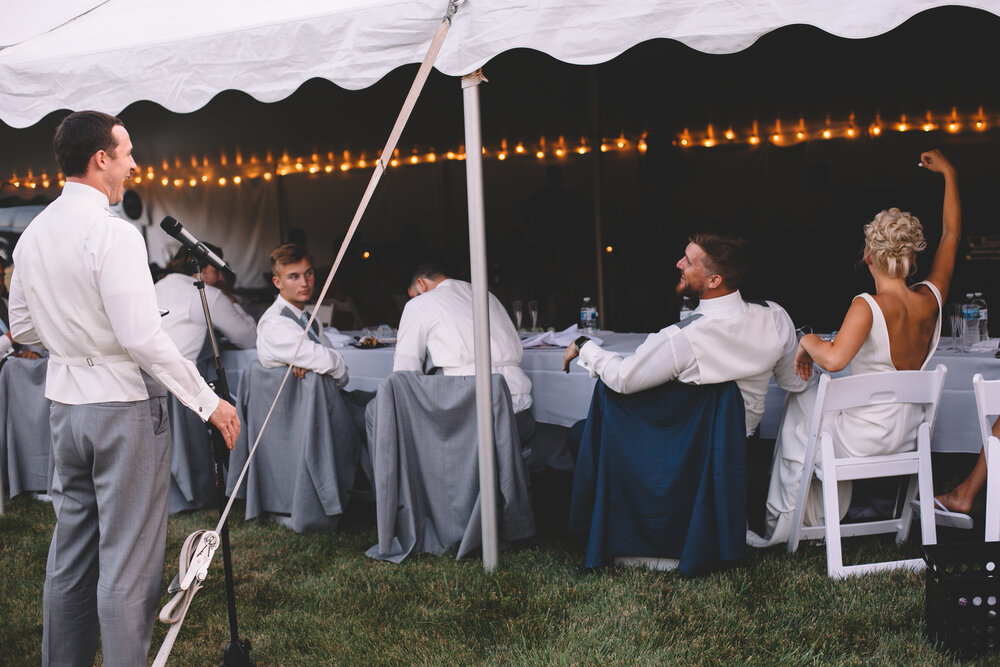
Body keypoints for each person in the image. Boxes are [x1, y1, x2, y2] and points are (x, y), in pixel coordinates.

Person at [7, 110, 240, 665]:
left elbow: (20, 328)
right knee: (129, 561)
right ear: (101, 159)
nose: (135, 164)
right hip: (124, 407)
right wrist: (208, 403)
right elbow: (142, 336)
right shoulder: (113, 232)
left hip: (65, 407)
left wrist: (72, 334)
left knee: (70, 553)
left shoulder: (33, 233)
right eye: (127, 152)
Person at [748, 149, 960, 547]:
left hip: (864, 439)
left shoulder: (867, 306)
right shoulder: (931, 299)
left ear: (868, 256)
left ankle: (788, 524)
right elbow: (951, 235)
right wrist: (949, 174)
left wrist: (806, 340)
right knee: (809, 407)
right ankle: (812, 519)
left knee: (800, 403)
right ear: (913, 258)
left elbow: (834, 359)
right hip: (908, 435)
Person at [562, 230, 807, 439]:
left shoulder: (682, 337)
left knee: (580, 434)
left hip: (684, 452)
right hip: (739, 448)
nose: (679, 264)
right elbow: (794, 382)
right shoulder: (775, 316)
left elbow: (623, 379)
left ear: (714, 280)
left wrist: (584, 345)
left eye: (688, 262)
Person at [393, 258, 535, 442]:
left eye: (414, 295)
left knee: (383, 415)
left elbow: (404, 372)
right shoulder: (487, 296)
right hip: (521, 413)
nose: (415, 300)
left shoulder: (420, 304)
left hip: (475, 419)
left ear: (421, 284)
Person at [155, 243, 257, 362]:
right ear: (198, 271)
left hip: (151, 372)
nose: (221, 278)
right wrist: (230, 298)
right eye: (216, 271)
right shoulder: (206, 294)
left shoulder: (158, 286)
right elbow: (250, 339)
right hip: (186, 375)